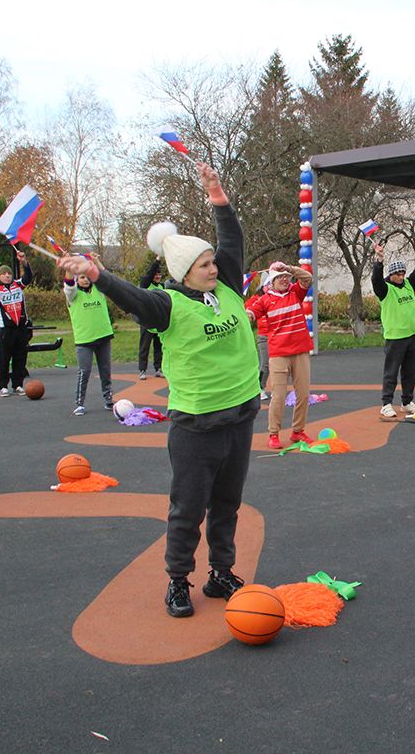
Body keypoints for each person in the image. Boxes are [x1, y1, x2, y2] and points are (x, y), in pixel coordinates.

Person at [56, 162, 258, 619]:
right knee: (188, 509)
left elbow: (233, 242)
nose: (216, 266)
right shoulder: (167, 306)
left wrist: (218, 196)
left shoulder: (225, 286)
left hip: (240, 415)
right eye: (205, 264)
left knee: (227, 504)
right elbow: (130, 296)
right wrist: (96, 273)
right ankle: (178, 581)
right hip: (198, 424)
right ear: (186, 271)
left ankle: (221, 571)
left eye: (213, 261)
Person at [245, 261, 313, 449]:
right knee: (279, 396)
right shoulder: (265, 299)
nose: (284, 279)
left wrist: (289, 268)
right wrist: (246, 316)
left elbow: (307, 278)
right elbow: (251, 312)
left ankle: (298, 431)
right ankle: (273, 433)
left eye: (286, 277)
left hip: (300, 351)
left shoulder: (295, 293)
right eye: (279, 277)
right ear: (271, 281)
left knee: (303, 394)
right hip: (279, 353)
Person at [371, 235, 415, 418]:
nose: (401, 276)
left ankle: (406, 401)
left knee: (410, 371)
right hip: (396, 337)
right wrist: (379, 261)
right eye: (398, 274)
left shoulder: (409, 285)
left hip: (413, 334)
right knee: (391, 372)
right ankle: (386, 403)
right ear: (391, 275)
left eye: (403, 273)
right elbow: (376, 280)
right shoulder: (385, 289)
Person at [0, 251, 33, 397]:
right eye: (4, 274)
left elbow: (28, 278)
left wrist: (24, 263)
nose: (7, 276)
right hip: (6, 329)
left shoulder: (18, 285)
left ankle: (18, 384)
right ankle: (3, 386)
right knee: (4, 358)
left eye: (9, 273)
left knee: (20, 357)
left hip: (21, 327)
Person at [63, 263, 114, 416]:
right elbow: (69, 285)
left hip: (103, 335)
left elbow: (107, 279)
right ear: (77, 279)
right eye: (82, 277)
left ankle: (108, 399)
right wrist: (69, 268)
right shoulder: (72, 295)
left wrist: (97, 263)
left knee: (105, 369)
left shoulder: (99, 290)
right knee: (84, 371)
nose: (85, 280)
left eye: (87, 277)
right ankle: (80, 403)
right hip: (84, 339)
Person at [244, 272, 273, 400]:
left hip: (276, 335)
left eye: (271, 284)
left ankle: (277, 388)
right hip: (264, 336)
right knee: (265, 363)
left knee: (278, 364)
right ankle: (259, 388)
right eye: (267, 285)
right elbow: (244, 310)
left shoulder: (275, 297)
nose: (269, 287)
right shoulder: (256, 298)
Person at [137, 258, 164, 380]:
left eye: (159, 274)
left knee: (159, 346)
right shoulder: (146, 284)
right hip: (147, 321)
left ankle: (158, 368)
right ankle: (142, 369)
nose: (158, 276)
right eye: (156, 274)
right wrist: (157, 260)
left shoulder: (163, 286)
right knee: (145, 345)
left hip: (159, 321)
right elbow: (148, 274)